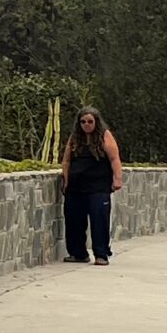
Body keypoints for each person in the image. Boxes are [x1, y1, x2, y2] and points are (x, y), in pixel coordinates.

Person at [60, 107, 123, 265]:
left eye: (90, 121)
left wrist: (117, 179)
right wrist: (65, 179)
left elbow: (115, 159)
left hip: (98, 187)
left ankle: (101, 254)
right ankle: (78, 253)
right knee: (74, 221)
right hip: (76, 187)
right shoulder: (75, 138)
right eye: (83, 122)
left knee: (99, 220)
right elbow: (67, 160)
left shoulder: (104, 136)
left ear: (96, 122)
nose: (86, 125)